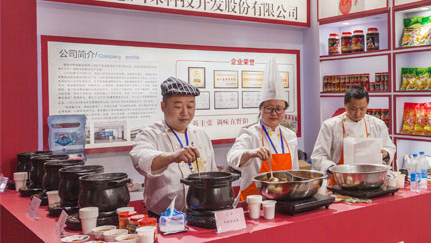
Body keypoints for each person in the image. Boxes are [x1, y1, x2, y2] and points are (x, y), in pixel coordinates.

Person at [130, 77, 217, 216]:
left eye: (190, 106)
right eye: (178, 107)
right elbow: (141, 160)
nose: (185, 112)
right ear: (163, 106)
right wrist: (173, 157)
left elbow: (212, 173)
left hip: (201, 214)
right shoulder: (150, 134)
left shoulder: (201, 134)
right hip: (163, 218)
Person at [227, 59, 298, 201]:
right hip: (253, 199)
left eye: (279, 109)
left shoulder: (290, 135)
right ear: (260, 109)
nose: (274, 113)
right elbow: (232, 157)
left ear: (284, 110)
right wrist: (251, 153)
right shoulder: (250, 133)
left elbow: (294, 172)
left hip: (284, 199)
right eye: (269, 108)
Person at [311, 86, 395, 177]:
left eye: (362, 109)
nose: (358, 113)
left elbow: (390, 148)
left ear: (367, 105)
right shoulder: (330, 125)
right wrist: (333, 169)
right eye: (353, 109)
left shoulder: (377, 124)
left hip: (370, 178)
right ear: (345, 104)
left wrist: (386, 153)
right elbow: (318, 156)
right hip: (339, 178)